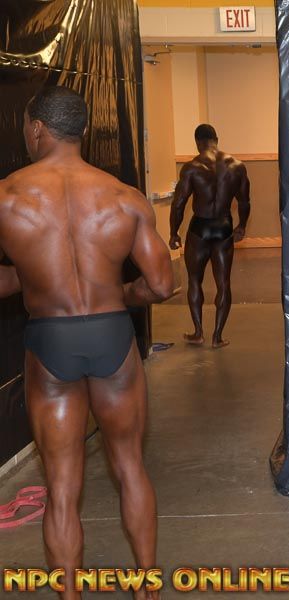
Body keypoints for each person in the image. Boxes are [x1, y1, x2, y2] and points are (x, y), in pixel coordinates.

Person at [0, 86, 174, 599]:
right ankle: (147, 589)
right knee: (130, 467)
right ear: (81, 131)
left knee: (61, 487)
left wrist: (34, 277)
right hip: (112, 336)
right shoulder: (125, 197)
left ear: (37, 129)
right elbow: (161, 285)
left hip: (50, 339)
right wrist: (120, 293)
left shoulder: (7, 196)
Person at [169, 124, 250, 348]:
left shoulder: (192, 167)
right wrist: (242, 226)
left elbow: (179, 204)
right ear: (217, 138)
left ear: (197, 141)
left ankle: (198, 333)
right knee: (223, 283)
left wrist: (174, 232)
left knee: (195, 281)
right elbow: (244, 201)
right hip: (223, 227)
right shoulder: (237, 166)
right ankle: (217, 337)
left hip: (200, 228)